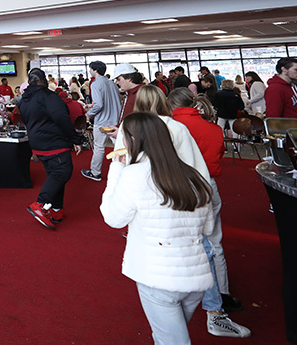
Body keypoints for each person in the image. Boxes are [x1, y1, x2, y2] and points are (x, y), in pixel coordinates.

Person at [100, 112, 215, 345]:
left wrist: (116, 170)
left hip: (158, 278)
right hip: (196, 277)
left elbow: (113, 218)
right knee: (167, 336)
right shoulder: (194, 175)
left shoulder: (134, 174)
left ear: (132, 140)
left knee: (171, 341)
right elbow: (208, 226)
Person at [167, 88, 251, 338]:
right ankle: (220, 296)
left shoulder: (171, 127)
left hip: (180, 187)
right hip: (208, 186)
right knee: (214, 244)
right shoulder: (213, 129)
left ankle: (183, 294)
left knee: (180, 242)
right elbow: (217, 157)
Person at [19, 68, 84, 229]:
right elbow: (62, 119)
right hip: (54, 141)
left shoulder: (24, 99)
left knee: (54, 175)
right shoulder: (49, 97)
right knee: (62, 172)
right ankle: (41, 204)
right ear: (45, 81)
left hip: (37, 142)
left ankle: (56, 209)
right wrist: (75, 139)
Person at [81, 61, 121, 182]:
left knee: (99, 147)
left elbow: (99, 105)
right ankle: (125, 169)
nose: (89, 71)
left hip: (102, 121)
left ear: (95, 70)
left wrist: (88, 114)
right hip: (115, 120)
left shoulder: (95, 84)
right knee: (120, 146)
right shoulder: (112, 83)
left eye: (90, 69)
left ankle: (95, 173)